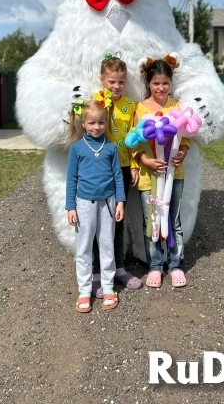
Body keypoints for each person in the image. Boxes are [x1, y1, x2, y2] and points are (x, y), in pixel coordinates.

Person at [134, 56, 190, 289]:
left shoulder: (176, 107)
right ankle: (155, 266)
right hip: (149, 178)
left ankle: (175, 265)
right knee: (151, 222)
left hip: (174, 175)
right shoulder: (140, 108)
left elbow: (185, 136)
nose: (161, 88)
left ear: (171, 83)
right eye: (156, 83)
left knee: (173, 220)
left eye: (165, 83)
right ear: (149, 83)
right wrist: (147, 160)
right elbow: (135, 142)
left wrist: (182, 152)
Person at [66, 100, 125, 313]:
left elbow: (118, 176)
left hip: (108, 203)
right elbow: (71, 179)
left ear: (106, 122)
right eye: (91, 123)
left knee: (107, 244)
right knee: (83, 248)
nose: (96, 127)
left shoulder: (110, 148)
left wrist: (120, 202)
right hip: (83, 204)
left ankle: (108, 287)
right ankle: (84, 290)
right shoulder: (77, 148)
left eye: (101, 122)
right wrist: (70, 206)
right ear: (83, 124)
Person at [91, 54, 142, 298]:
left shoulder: (131, 106)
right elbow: (88, 130)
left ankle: (119, 269)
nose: (116, 86)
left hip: (122, 167)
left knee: (117, 219)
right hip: (100, 169)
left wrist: (133, 165)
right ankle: (97, 274)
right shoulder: (97, 102)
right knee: (97, 220)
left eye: (120, 82)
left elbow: (134, 138)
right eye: (111, 81)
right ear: (102, 80)